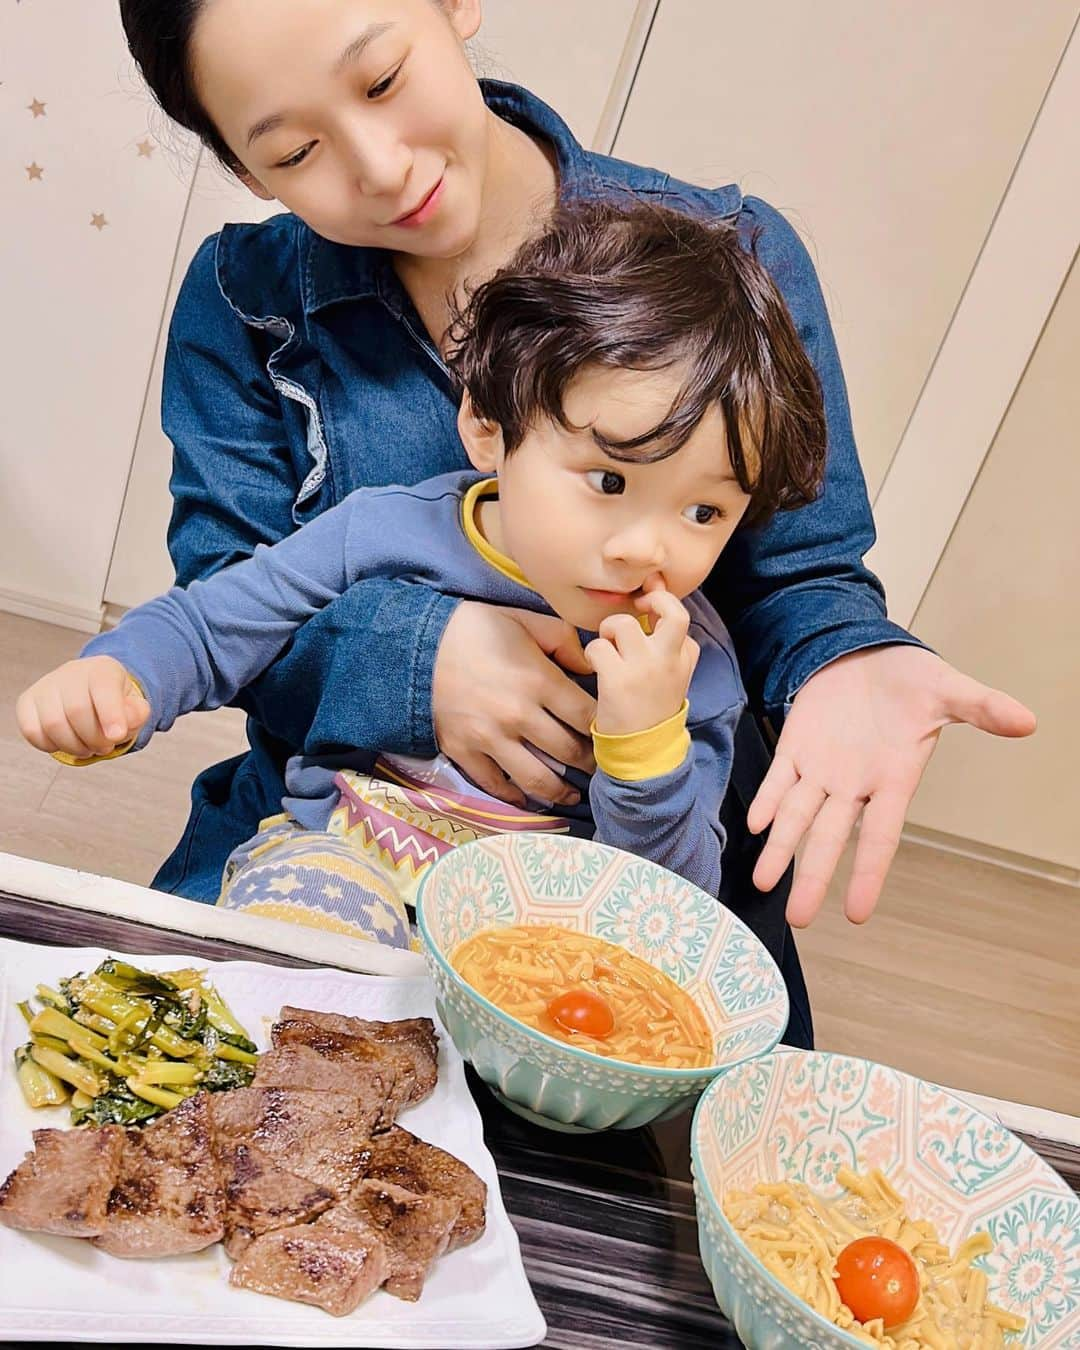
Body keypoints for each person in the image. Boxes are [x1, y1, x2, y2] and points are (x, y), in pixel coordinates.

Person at [38, 0, 1034, 1044]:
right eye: (294, 149)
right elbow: (224, 602)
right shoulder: (246, 305)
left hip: (588, 896)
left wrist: (851, 656)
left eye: (382, 80)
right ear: (244, 168)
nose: (379, 167)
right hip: (339, 834)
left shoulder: (731, 257)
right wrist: (422, 660)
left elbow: (800, 578)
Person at [18, 198, 828, 959]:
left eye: (704, 513)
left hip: (524, 950)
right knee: (294, 961)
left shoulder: (693, 665)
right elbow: (211, 625)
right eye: (610, 482)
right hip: (339, 868)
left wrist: (646, 746)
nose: (648, 549)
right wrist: (119, 676)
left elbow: (665, 917)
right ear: (486, 426)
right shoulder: (385, 529)